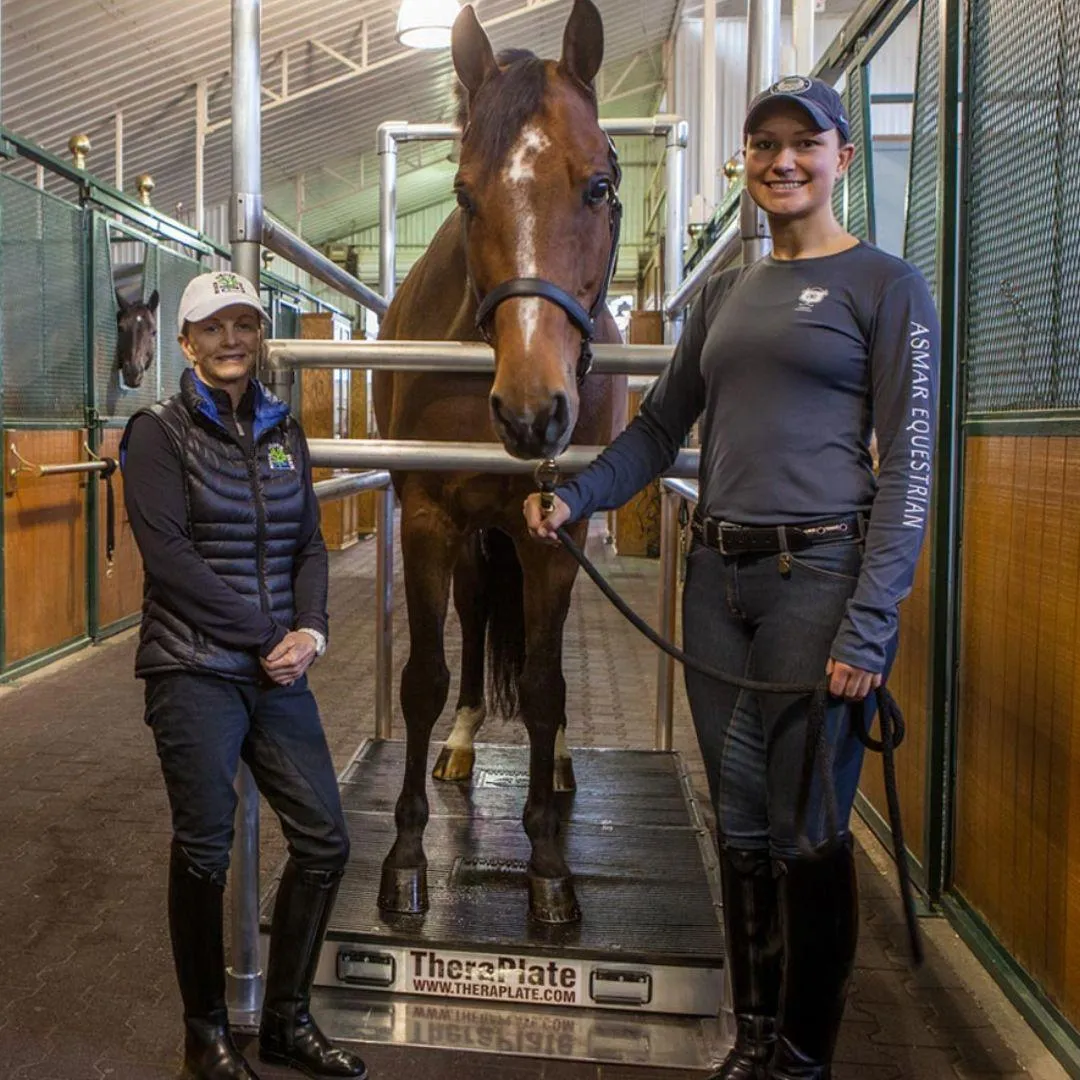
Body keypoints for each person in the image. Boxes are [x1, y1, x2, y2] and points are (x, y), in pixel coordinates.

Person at [525, 76, 939, 1080]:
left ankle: (803, 1053)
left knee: (804, 824)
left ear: (842, 155)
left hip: (820, 573)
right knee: (740, 815)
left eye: (805, 142)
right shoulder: (719, 296)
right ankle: (753, 1041)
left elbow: (912, 463)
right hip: (718, 576)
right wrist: (578, 497)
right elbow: (662, 431)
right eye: (764, 144)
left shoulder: (888, 287)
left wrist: (870, 624)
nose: (783, 160)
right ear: (744, 163)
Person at [120, 270, 366, 1080]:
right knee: (205, 846)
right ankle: (205, 1035)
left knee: (326, 840)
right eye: (214, 327)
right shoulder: (156, 433)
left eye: (245, 325)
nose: (232, 340)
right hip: (192, 664)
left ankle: (289, 1020)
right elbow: (171, 560)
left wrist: (314, 631)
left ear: (258, 338)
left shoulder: (283, 430)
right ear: (186, 343)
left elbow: (307, 547)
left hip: (275, 666)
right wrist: (270, 634)